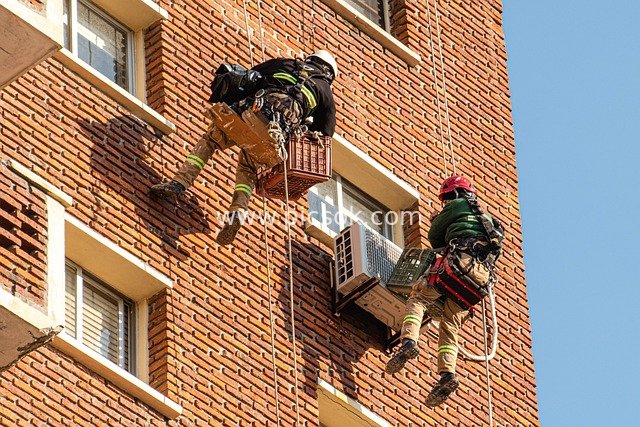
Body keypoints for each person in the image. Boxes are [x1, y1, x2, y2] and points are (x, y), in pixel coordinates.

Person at [150, 50, 337, 245]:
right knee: (248, 168)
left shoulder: (286, 63)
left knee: (210, 141)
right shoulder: (325, 92)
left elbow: (249, 79)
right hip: (274, 134)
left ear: (311, 59)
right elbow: (325, 135)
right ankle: (238, 211)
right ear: (329, 74)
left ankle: (179, 182)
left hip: (249, 112)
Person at [385, 176, 503, 407]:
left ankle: (409, 342)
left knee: (418, 299)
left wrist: (437, 220)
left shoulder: (456, 206)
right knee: (450, 325)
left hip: (458, 265)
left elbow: (434, 238)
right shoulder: (490, 222)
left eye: (446, 199)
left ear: (453, 195)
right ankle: (447, 375)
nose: (446, 202)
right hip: (479, 280)